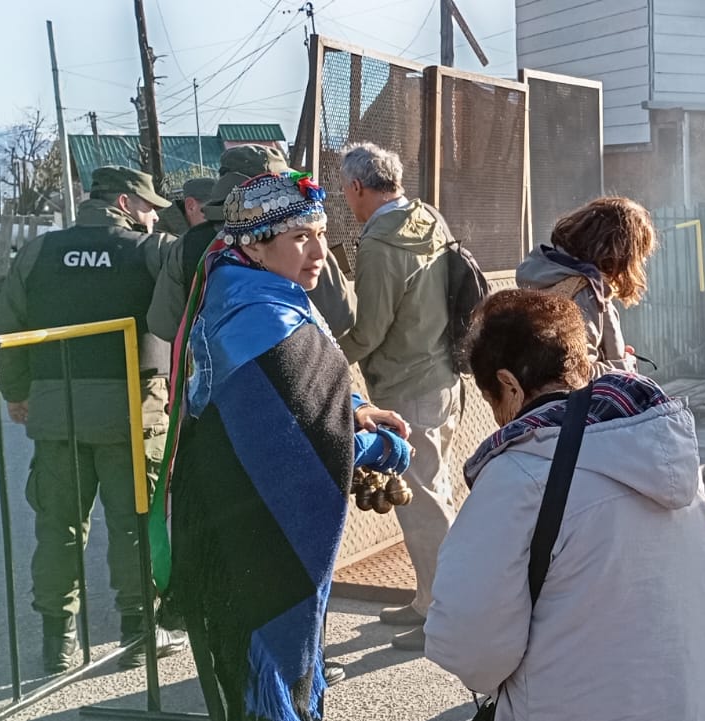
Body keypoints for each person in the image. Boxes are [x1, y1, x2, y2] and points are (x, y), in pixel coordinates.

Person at [157, 171, 412, 721]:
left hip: (241, 515)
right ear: (254, 240)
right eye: (300, 237)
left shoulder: (254, 288)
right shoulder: (260, 319)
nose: (320, 251)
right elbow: (298, 437)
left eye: (320, 232)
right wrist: (378, 449)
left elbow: (303, 394)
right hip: (254, 535)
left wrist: (357, 409)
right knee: (267, 684)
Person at [423, 289, 705, 721]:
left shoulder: (520, 474)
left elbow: (469, 645)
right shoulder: (662, 444)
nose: (500, 416)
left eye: (491, 399)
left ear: (508, 384)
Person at [0, 165, 189, 673]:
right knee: (133, 526)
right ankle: (138, 634)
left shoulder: (39, 251)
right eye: (147, 206)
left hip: (56, 411)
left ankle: (57, 645)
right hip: (130, 411)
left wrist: (16, 392)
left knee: (57, 527)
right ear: (124, 203)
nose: (151, 216)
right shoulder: (151, 250)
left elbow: (8, 325)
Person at [334, 142, 463, 652]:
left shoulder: (379, 245)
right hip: (444, 376)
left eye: (346, 191)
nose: (347, 200)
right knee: (437, 491)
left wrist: (319, 358)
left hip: (406, 388)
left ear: (358, 187)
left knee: (424, 506)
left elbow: (368, 330)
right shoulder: (428, 217)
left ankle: (447, 613)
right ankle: (430, 599)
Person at [147, 145, 356, 343]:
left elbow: (164, 325)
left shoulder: (188, 245)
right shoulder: (299, 232)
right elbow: (340, 317)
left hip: (211, 374)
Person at [516, 197, 657, 374]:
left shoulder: (544, 269)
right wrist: (624, 367)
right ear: (619, 252)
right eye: (638, 254)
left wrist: (611, 355)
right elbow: (577, 375)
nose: (640, 262)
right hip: (580, 401)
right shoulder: (584, 292)